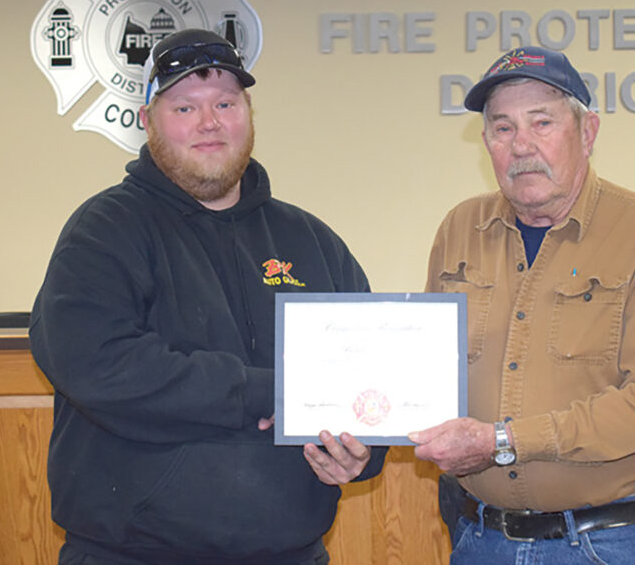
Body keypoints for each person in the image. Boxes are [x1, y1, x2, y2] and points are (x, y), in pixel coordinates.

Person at [30, 28, 386, 565]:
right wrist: (259, 392)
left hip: (291, 552)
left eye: (225, 103)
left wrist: (363, 452)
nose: (209, 122)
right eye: (184, 107)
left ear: (248, 115)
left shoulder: (311, 241)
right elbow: (99, 365)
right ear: (148, 121)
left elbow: (370, 377)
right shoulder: (104, 231)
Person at [409, 46, 635, 564]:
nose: (522, 145)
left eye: (541, 123)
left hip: (601, 545)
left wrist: (504, 441)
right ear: (486, 142)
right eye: (503, 128)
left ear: (587, 133)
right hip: (480, 539)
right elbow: (424, 374)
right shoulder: (460, 229)